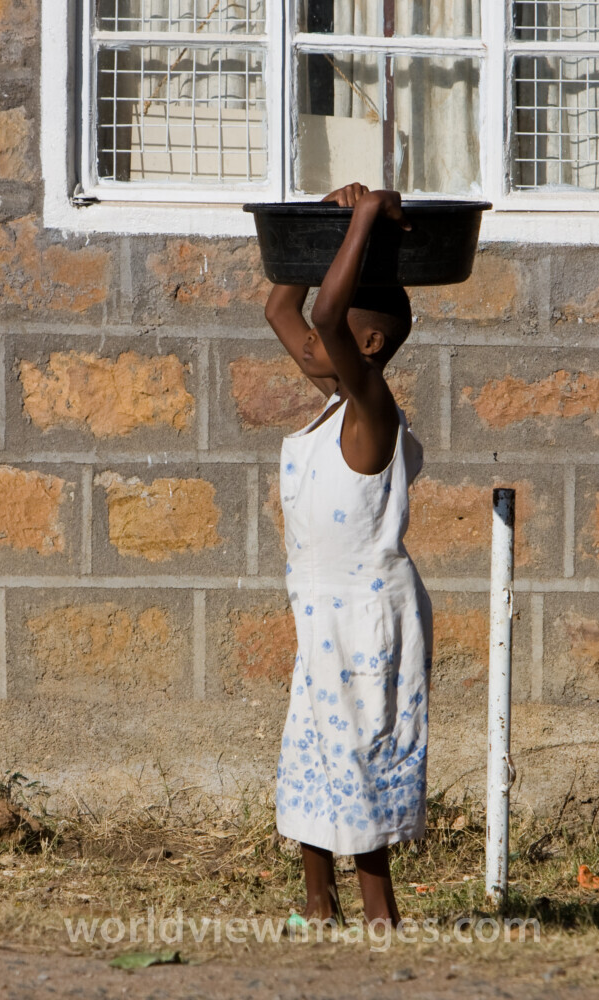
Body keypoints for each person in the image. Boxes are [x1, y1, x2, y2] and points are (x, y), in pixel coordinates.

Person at [264, 183, 432, 928]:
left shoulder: (372, 410)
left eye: (327, 339)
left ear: (367, 347)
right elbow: (283, 309)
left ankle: (379, 911)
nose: (307, 342)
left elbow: (323, 317)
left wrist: (361, 221)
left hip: (365, 617)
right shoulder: (335, 398)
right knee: (311, 744)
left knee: (358, 748)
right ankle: (317, 902)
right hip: (319, 609)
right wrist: (321, 231)